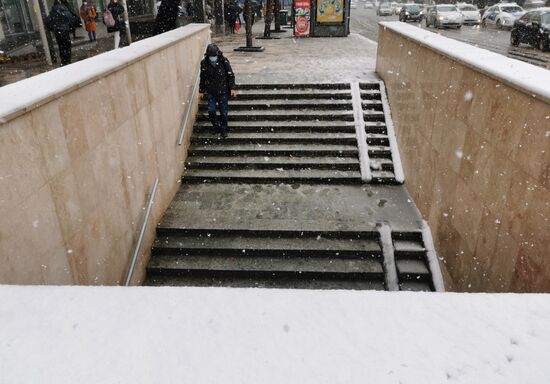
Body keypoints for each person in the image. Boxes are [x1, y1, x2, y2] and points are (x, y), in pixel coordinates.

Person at [198, 44, 237, 138]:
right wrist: (201, 90)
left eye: (214, 56)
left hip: (223, 91)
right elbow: (202, 77)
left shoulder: (224, 61)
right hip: (211, 92)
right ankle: (216, 127)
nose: (213, 58)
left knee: (223, 111)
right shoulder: (204, 63)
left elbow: (230, 75)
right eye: (211, 56)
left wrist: (232, 88)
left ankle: (224, 129)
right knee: (211, 111)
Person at [45, 0, 77, 65]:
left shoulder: (52, 12)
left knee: (61, 46)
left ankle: (63, 60)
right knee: (67, 45)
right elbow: (72, 19)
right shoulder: (66, 11)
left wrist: (53, 28)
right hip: (65, 30)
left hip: (57, 31)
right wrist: (70, 27)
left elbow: (47, 22)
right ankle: (68, 59)